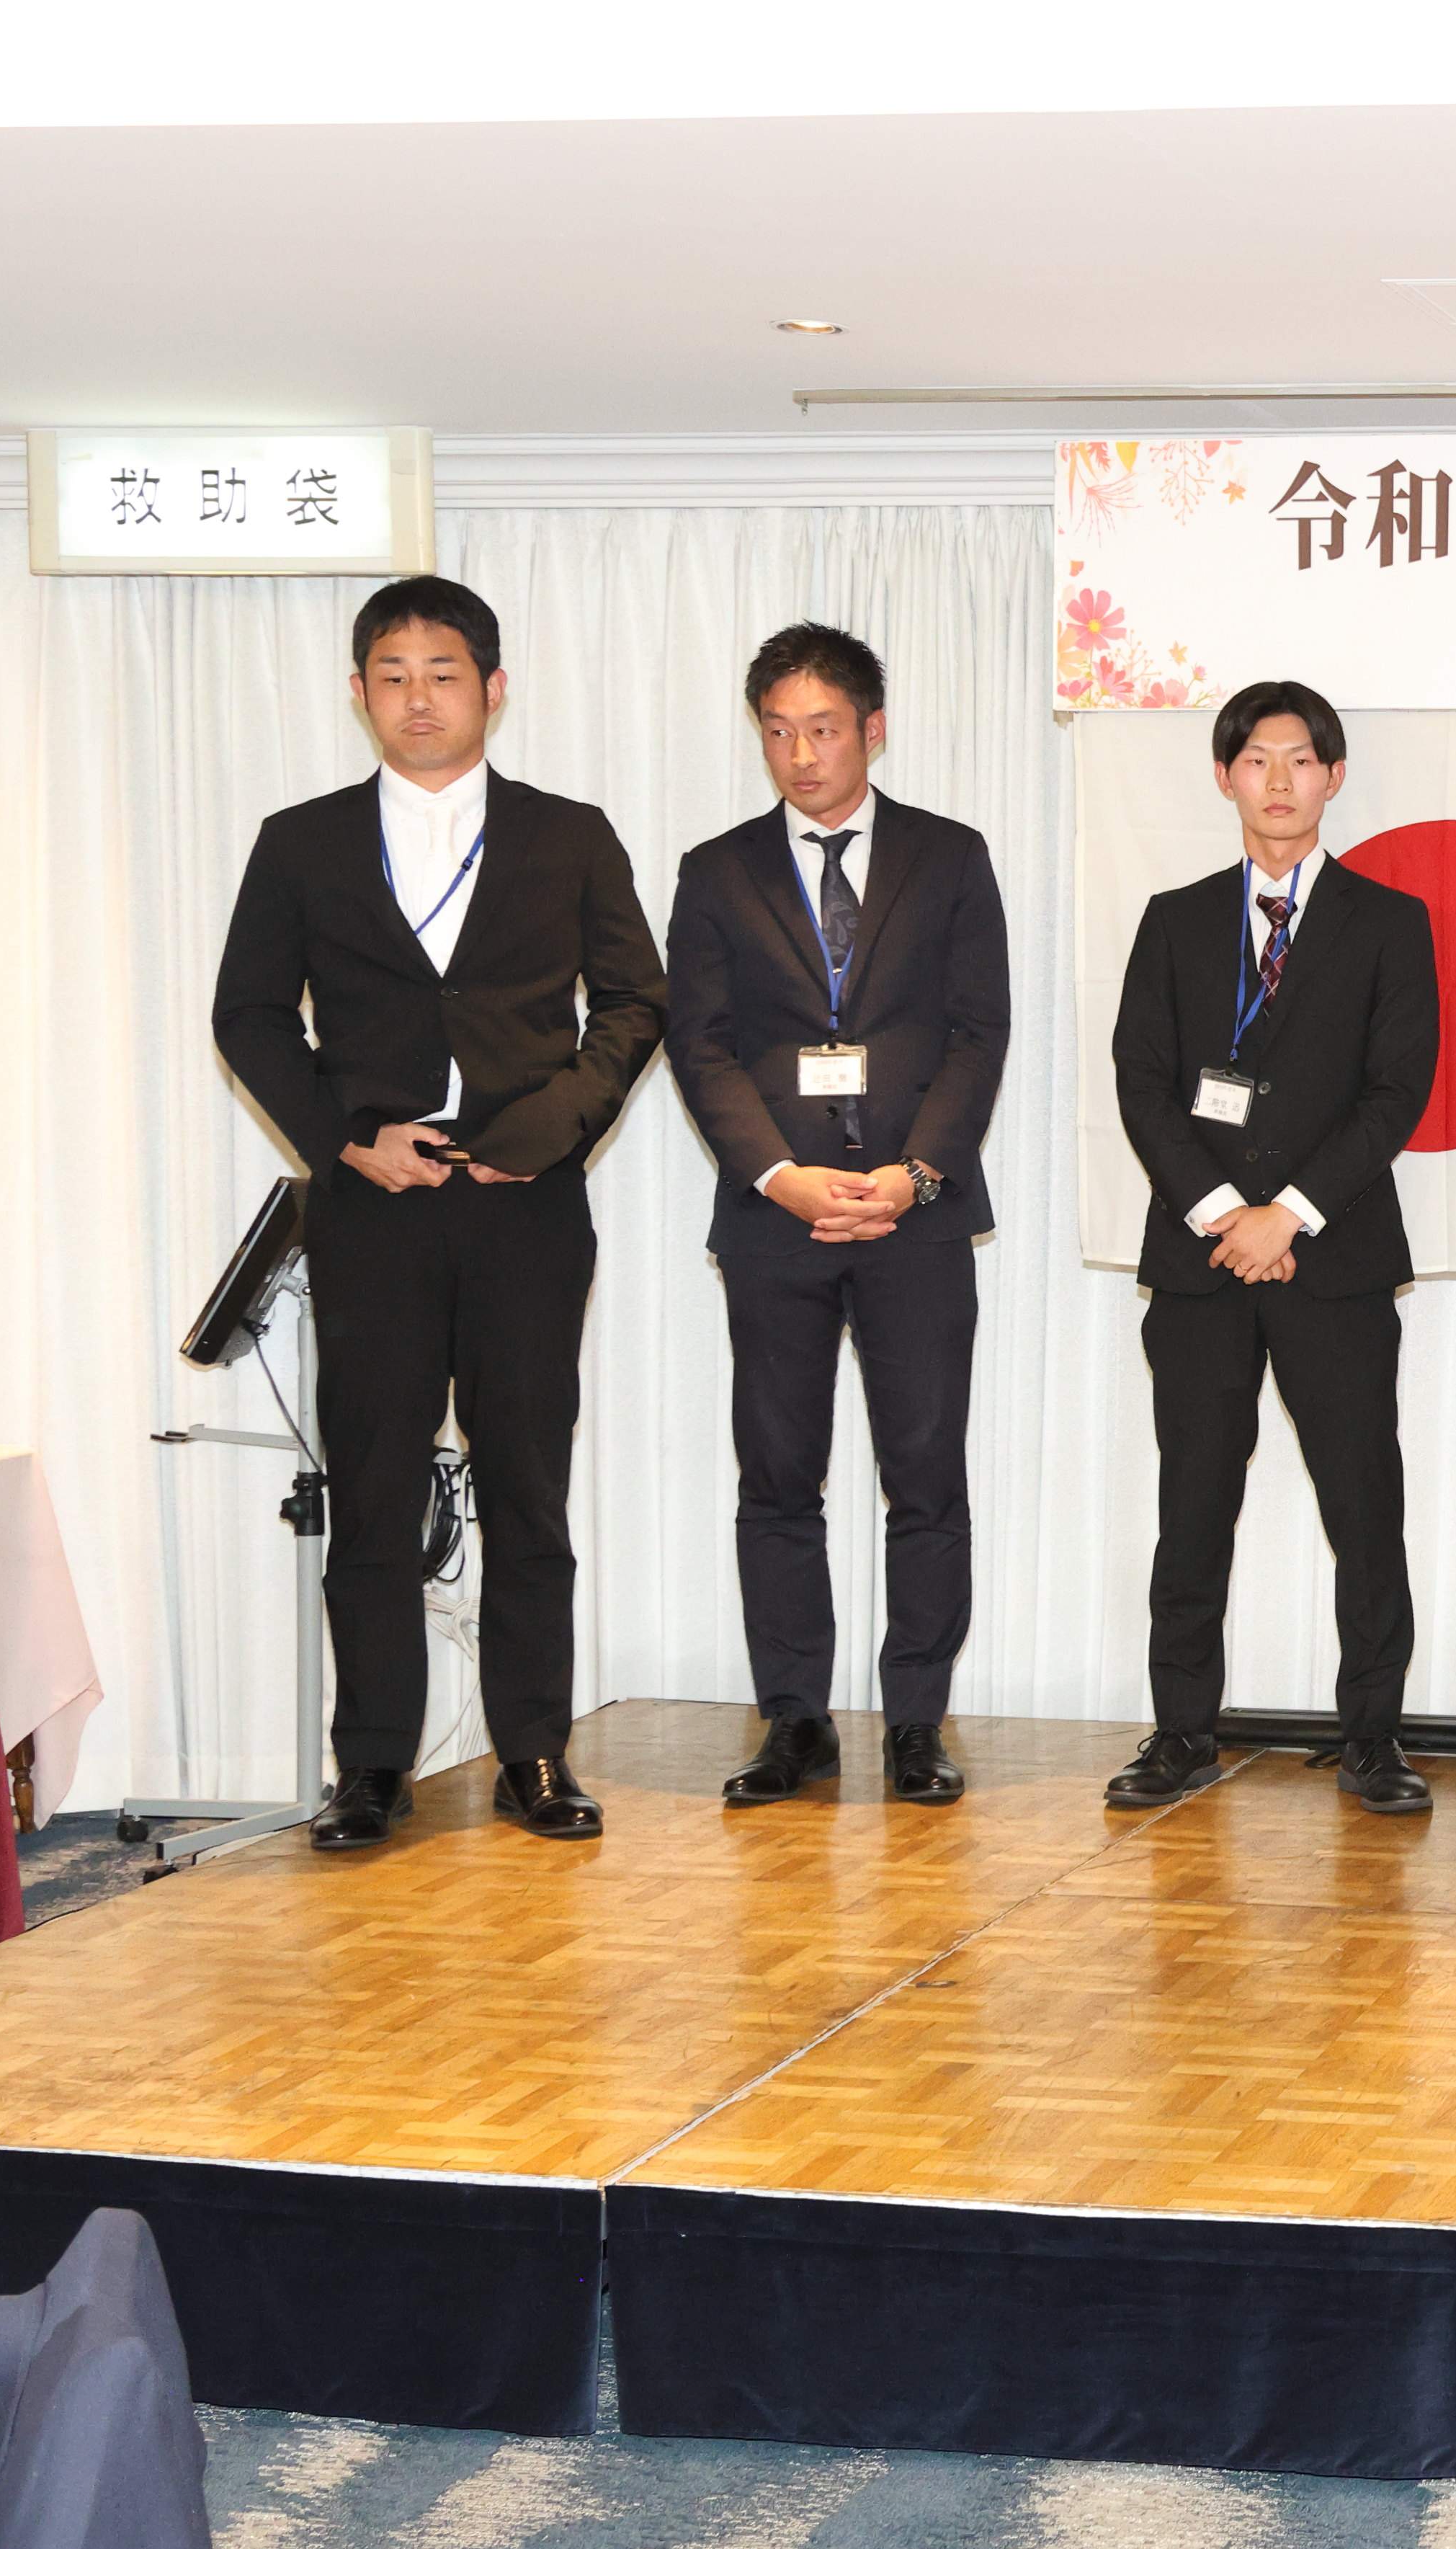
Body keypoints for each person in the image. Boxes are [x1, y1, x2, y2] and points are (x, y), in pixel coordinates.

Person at [211, 575, 664, 1847]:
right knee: (372, 1489)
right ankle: (371, 1766)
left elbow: (635, 1002)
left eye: (444, 673)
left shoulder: (569, 833)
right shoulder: (300, 840)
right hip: (373, 1211)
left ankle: (534, 1752)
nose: (419, 698)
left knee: (527, 1487)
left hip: (526, 1209)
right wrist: (347, 1142)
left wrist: (543, 1133)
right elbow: (248, 1014)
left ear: (494, 689)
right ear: (359, 693)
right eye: (394, 676)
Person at [664, 623, 1011, 1810]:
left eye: (821, 729)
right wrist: (779, 1175)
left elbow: (978, 1032)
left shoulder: (948, 856)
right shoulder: (716, 871)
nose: (800, 755)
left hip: (916, 1218)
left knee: (925, 1476)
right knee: (778, 1478)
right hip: (778, 1223)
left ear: (873, 727)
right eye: (777, 732)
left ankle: (915, 1722)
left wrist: (917, 1174)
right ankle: (794, 1719)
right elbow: (700, 1045)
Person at [1108, 680, 1439, 1813]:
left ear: (1334, 776)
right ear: (1225, 776)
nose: (1280, 780)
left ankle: (1373, 1739)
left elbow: (1395, 1092)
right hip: (1200, 1265)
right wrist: (1222, 1213)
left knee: (1364, 1505)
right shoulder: (1173, 919)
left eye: (1301, 759)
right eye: (1257, 759)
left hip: (1331, 1261)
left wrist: (1287, 1212)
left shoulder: (1390, 922)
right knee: (1193, 1504)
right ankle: (1180, 1732)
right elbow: (1142, 1084)